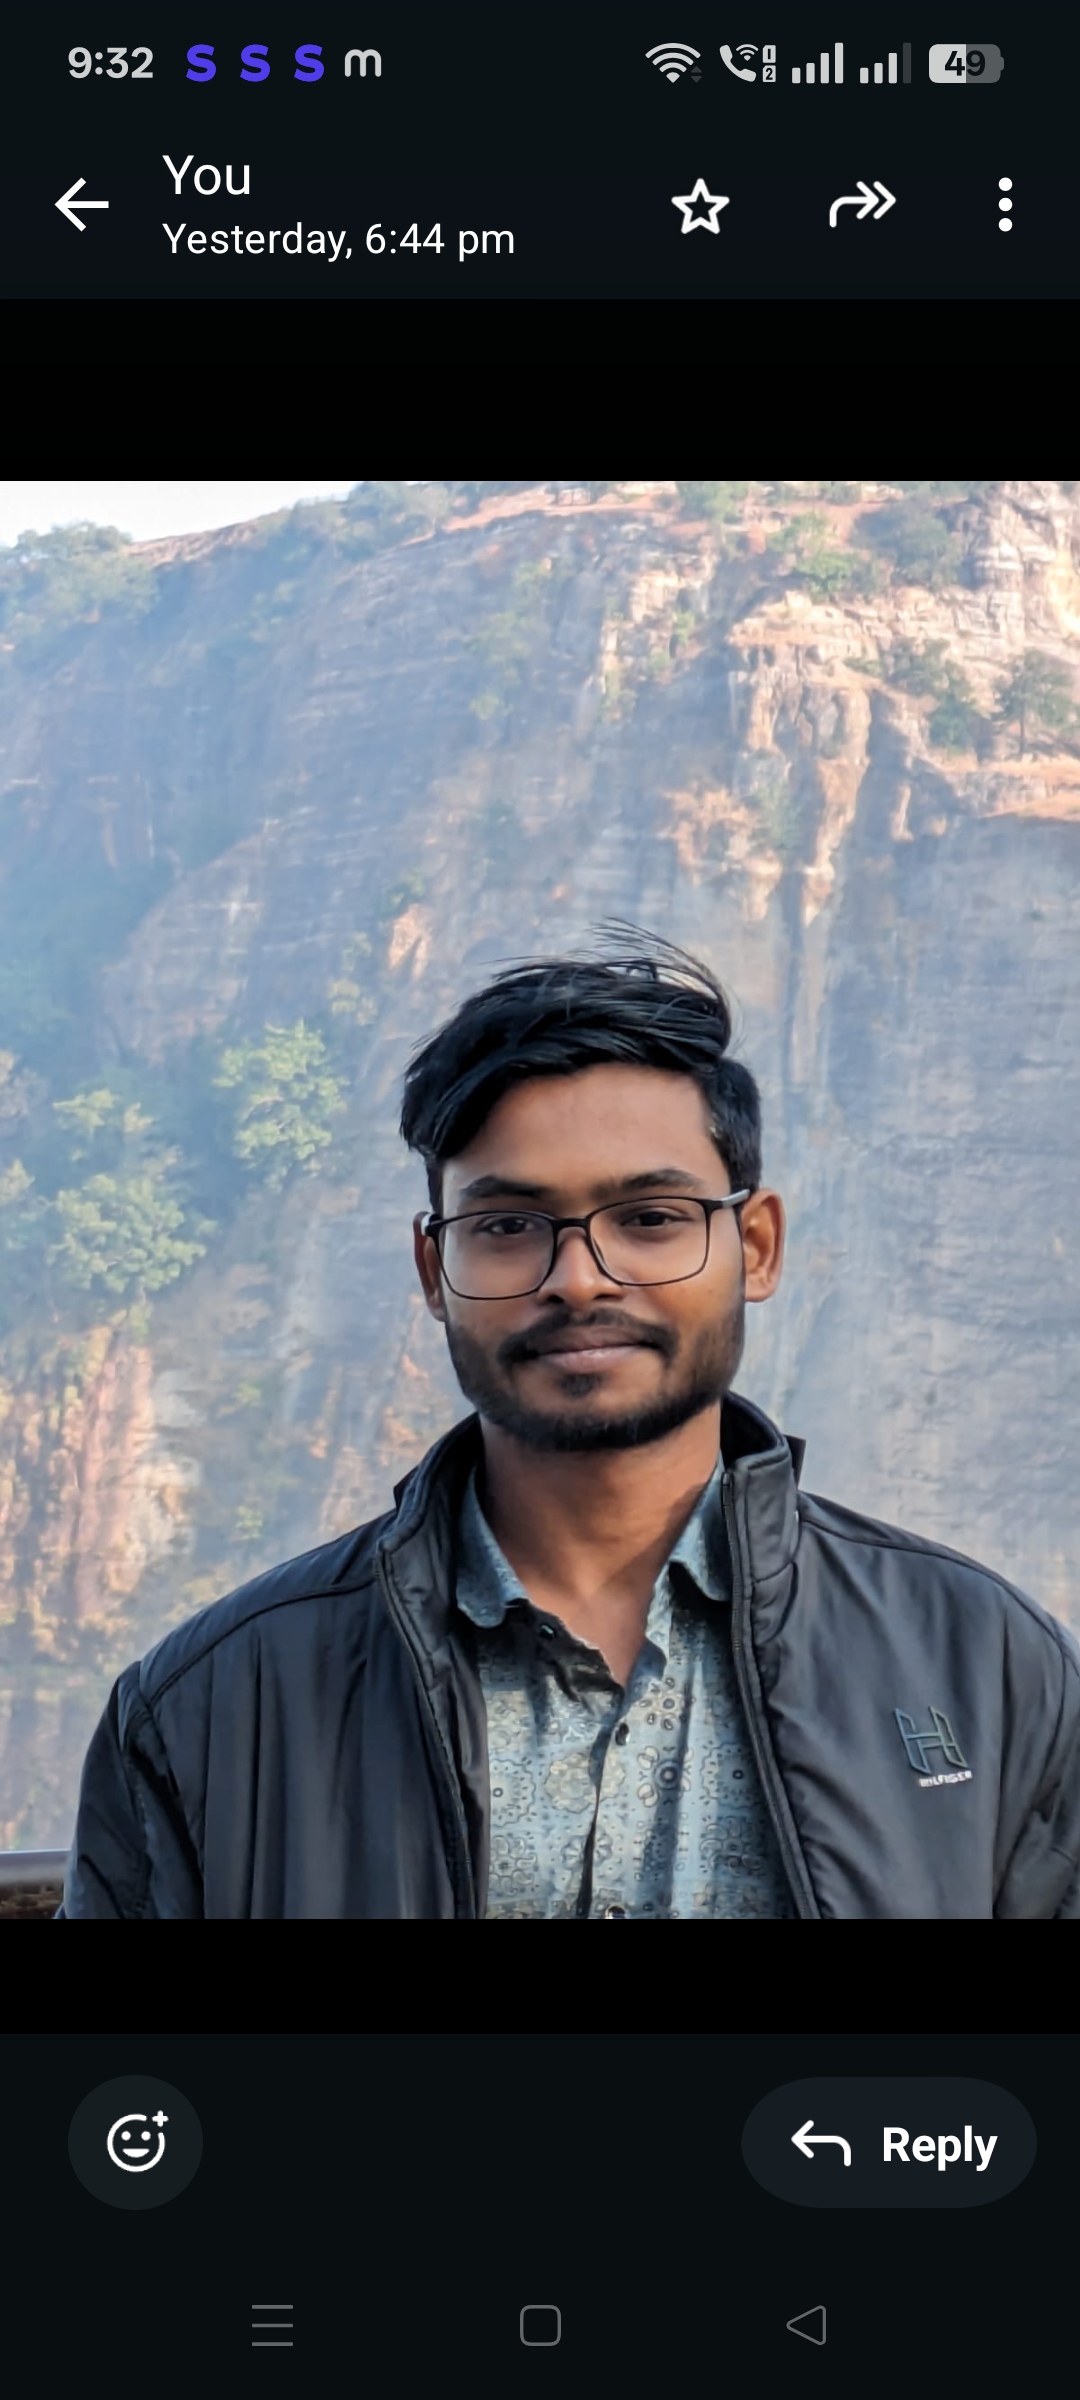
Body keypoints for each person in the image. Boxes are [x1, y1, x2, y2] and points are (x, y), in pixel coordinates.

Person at [56, 922, 1080, 1917]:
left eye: (651, 1219)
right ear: (434, 1269)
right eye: (509, 1226)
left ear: (757, 1247)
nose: (581, 1279)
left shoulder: (985, 1667)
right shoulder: (210, 1705)